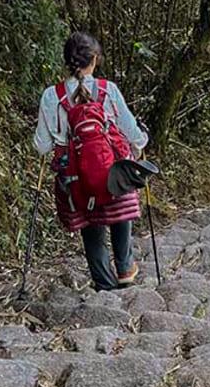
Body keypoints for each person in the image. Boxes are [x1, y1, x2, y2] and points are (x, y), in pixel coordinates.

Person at [34, 32, 148, 290]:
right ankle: (125, 267)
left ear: (67, 61)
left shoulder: (52, 96)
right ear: (94, 60)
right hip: (113, 175)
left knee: (91, 221)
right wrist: (142, 141)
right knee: (118, 194)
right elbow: (133, 135)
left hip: (75, 178)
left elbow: (41, 146)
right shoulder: (109, 90)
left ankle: (103, 283)